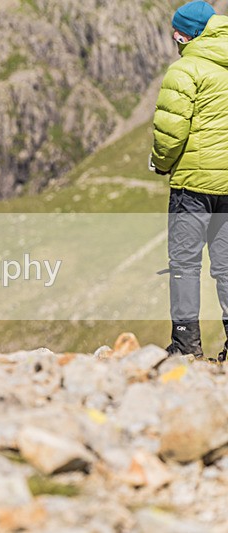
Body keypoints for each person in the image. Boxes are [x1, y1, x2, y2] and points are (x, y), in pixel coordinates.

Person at [150, 0, 228, 359]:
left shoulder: (185, 71)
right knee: (226, 267)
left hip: (192, 188)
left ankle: (186, 345)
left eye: (176, 35)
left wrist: (160, 163)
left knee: (184, 265)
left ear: (186, 35)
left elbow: (170, 133)